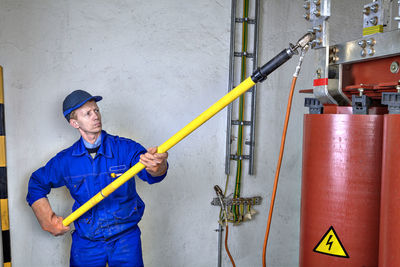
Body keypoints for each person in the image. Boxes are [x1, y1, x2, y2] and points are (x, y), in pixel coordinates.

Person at [26, 90, 168, 267]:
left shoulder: (125, 148)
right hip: (87, 242)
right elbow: (36, 183)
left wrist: (158, 167)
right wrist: (47, 219)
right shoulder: (66, 161)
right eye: (87, 113)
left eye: (96, 110)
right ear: (74, 123)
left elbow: (152, 173)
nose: (95, 116)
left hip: (125, 239)